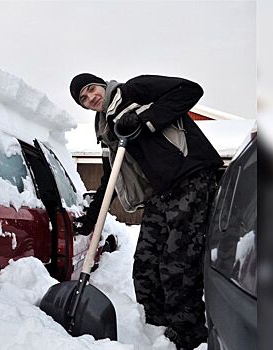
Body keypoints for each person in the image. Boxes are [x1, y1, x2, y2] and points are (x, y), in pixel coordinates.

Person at [69, 73, 222, 349]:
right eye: (84, 99)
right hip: (159, 194)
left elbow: (190, 90)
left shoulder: (134, 90)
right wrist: (91, 219)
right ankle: (155, 332)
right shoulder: (106, 131)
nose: (91, 97)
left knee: (178, 266)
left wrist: (144, 119)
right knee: (145, 268)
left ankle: (188, 338)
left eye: (91, 89)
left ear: (102, 84)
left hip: (191, 179)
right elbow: (111, 179)